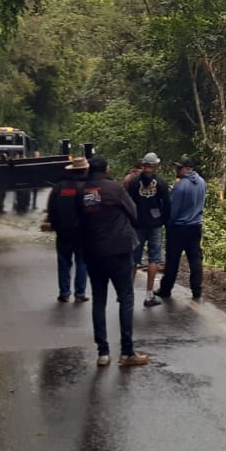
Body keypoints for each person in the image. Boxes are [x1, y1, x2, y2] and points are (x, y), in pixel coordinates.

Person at [76, 156, 150, 368]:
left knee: (99, 299)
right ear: (107, 169)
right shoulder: (115, 189)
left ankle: (103, 352)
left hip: (93, 252)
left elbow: (87, 217)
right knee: (126, 298)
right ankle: (127, 352)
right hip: (118, 251)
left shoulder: (88, 191)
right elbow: (134, 213)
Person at [154, 155, 206, 306]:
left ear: (185, 169)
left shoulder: (181, 185)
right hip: (196, 226)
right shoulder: (202, 182)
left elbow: (173, 209)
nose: (177, 170)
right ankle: (197, 290)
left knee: (172, 260)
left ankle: (166, 289)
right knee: (195, 259)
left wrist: (168, 224)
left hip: (179, 228)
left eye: (179, 167)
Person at [123, 153, 170, 307]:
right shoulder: (162, 183)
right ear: (155, 165)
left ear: (144, 165)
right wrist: (163, 220)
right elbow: (167, 206)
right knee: (154, 258)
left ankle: (127, 293)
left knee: (134, 259)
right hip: (155, 225)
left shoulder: (134, 182)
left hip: (137, 224)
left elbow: (128, 203)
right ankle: (149, 294)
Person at [43, 155, 90, 302]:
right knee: (82, 262)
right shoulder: (88, 187)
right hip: (83, 232)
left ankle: (64, 293)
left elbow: (51, 208)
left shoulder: (59, 187)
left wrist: (54, 223)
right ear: (85, 170)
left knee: (64, 262)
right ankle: (80, 293)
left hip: (63, 231)